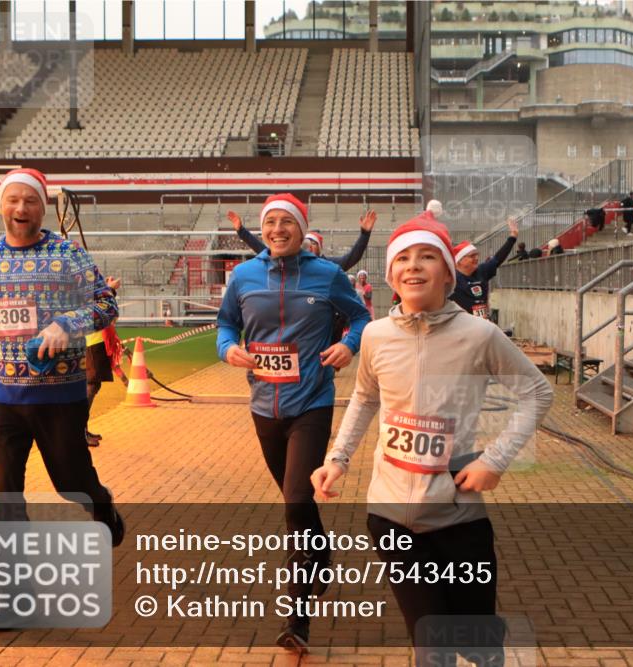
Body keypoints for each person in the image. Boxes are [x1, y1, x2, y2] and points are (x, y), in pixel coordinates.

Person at [311, 213, 552, 666]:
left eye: (427, 256)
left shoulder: (480, 335)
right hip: (392, 516)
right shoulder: (378, 337)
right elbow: (364, 397)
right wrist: (338, 458)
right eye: (402, 258)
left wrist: (496, 460)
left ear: (447, 272)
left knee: (478, 644)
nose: (413, 265)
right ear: (391, 276)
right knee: (431, 644)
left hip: (458, 518)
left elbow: (539, 392)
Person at [217, 193, 370, 653]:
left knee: (295, 502)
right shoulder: (243, 276)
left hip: (312, 403)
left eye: (287, 222)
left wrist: (349, 344)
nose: (278, 229)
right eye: (271, 223)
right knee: (296, 501)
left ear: (303, 230)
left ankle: (297, 618)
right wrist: (228, 349)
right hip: (264, 406)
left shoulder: (328, 274)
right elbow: (226, 325)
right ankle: (321, 555)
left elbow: (361, 317)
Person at [0, 169, 126, 592]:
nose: (20, 208)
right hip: (4, 397)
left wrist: (66, 324)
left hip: (59, 398)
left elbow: (106, 304)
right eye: (12, 199)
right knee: (5, 494)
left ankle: (101, 505)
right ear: (1, 204)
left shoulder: (68, 255)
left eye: (30, 200)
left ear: (42, 206)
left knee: (73, 484)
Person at [230, 208, 377, 271]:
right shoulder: (288, 261)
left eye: (313, 243)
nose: (309, 246)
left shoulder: (329, 267)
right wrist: (241, 231)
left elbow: (352, 258)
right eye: (307, 243)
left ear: (320, 248)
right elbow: (261, 248)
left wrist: (364, 234)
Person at [450, 216, 519, 319]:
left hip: (482, 325)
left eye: (477, 254)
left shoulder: (481, 271)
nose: (476, 258)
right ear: (459, 261)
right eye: (472, 256)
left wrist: (513, 237)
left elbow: (498, 258)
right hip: (461, 328)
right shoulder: (450, 279)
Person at [85, 275, 122, 447]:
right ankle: (78, 431)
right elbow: (98, 307)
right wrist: (111, 289)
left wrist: (107, 288)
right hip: (91, 341)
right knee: (90, 386)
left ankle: (81, 429)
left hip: (96, 340)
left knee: (93, 385)